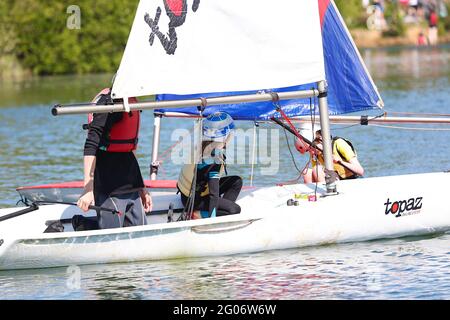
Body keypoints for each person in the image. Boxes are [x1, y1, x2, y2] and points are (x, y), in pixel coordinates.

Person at [76, 88, 152, 229]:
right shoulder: (107, 103)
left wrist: (142, 187)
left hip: (132, 186)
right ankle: (83, 226)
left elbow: (130, 150)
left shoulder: (131, 102)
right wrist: (88, 189)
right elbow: (90, 146)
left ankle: (85, 225)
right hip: (108, 188)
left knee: (141, 235)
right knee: (112, 239)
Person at [177, 112, 242, 219]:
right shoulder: (213, 160)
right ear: (226, 136)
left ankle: (220, 209)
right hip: (193, 200)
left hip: (190, 193)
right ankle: (199, 214)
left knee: (236, 181)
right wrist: (212, 218)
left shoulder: (204, 145)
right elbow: (213, 195)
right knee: (234, 209)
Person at [295, 126, 364, 183]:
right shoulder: (315, 154)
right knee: (307, 173)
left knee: (317, 169)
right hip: (335, 178)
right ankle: (315, 196)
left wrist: (340, 162)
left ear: (320, 139)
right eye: (308, 150)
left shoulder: (339, 144)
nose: (312, 152)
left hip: (351, 180)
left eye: (312, 148)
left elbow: (360, 171)